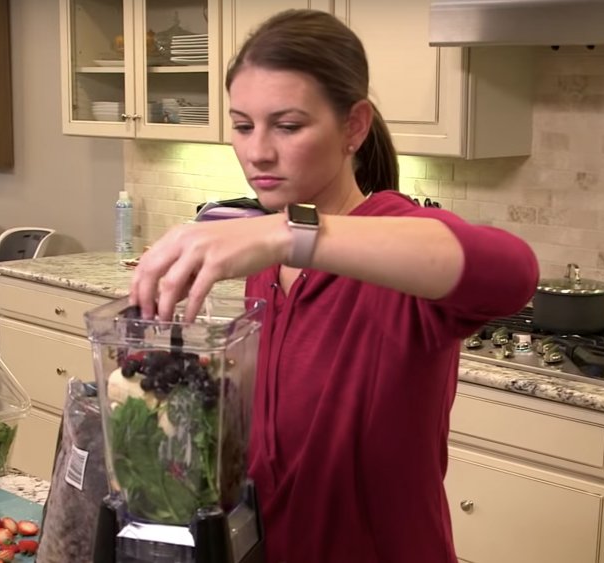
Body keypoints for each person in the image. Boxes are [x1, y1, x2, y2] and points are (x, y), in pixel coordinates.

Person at [129, 9, 539, 563]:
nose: (258, 152)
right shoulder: (269, 265)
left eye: (289, 125)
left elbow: (513, 272)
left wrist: (284, 234)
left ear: (354, 127)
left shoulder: (384, 239)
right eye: (243, 125)